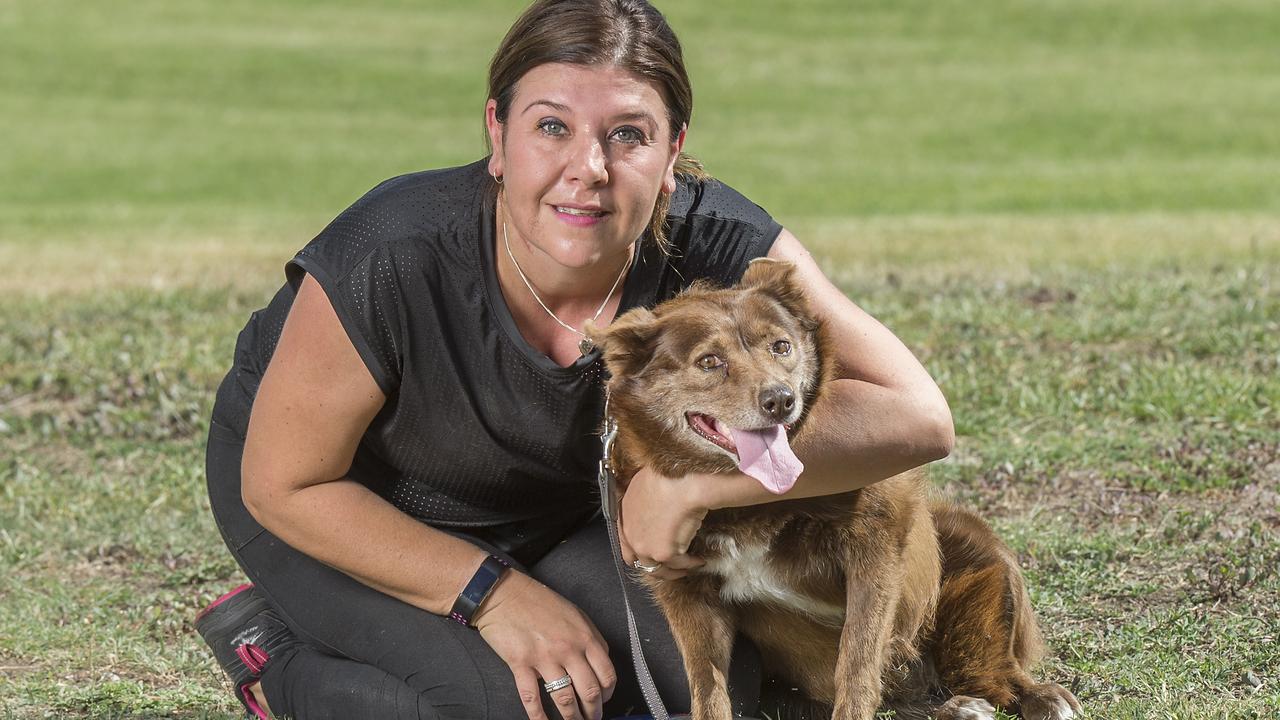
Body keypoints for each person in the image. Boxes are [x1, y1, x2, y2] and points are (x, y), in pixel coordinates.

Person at [195, 1, 955, 718]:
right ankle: (274, 655)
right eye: (551, 127)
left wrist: (683, 488)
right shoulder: (392, 251)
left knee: (687, 683)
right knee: (514, 704)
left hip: (551, 511)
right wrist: (492, 595)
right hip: (339, 504)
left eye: (628, 134)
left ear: (673, 149)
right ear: (497, 135)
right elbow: (286, 484)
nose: (588, 165)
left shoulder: (721, 239)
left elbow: (918, 416)